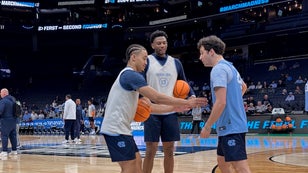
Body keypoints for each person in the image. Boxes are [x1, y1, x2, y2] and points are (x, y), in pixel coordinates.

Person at [100, 44, 207, 173]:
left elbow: (150, 107)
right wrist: (187, 102)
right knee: (129, 166)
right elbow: (156, 97)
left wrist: (175, 107)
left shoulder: (132, 78)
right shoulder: (130, 75)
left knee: (137, 163)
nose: (146, 62)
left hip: (122, 129)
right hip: (115, 129)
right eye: (144, 59)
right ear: (133, 57)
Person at [142, 30, 196, 173]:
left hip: (171, 112)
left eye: (164, 43)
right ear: (152, 45)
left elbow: (184, 82)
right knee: (150, 151)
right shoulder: (146, 61)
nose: (162, 46)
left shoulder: (176, 62)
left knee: (170, 150)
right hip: (151, 111)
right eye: (158, 43)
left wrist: (192, 95)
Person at [197, 35, 251, 173]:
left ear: (211, 52)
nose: (200, 57)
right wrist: (234, 101)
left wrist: (207, 126)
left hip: (230, 125)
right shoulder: (230, 66)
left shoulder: (218, 69)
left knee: (240, 167)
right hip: (230, 125)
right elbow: (243, 87)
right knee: (222, 162)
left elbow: (221, 102)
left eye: (202, 53)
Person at [0, 88, 18, 157]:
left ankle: (4, 151)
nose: (0, 94)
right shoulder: (13, 100)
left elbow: (0, 111)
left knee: (4, 136)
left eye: (0, 93)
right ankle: (14, 150)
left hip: (5, 120)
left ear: (4, 93)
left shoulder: (3, 101)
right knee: (13, 136)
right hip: (14, 121)